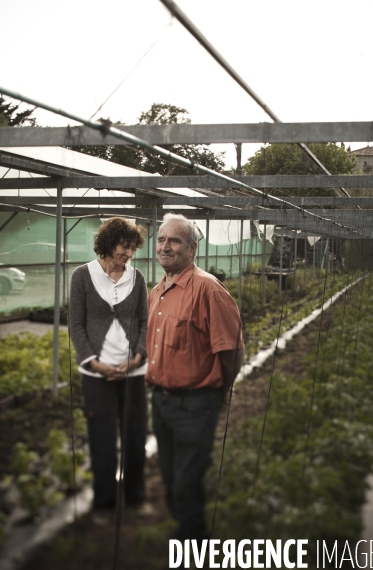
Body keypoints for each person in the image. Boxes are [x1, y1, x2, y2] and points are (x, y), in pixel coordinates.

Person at [146, 213, 244, 542]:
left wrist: (222, 388)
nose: (165, 246)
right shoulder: (156, 291)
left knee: (186, 483)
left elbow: (230, 349)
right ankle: (187, 538)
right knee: (172, 479)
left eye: (174, 240)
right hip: (161, 400)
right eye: (161, 240)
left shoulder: (208, 289)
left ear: (193, 248)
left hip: (195, 403)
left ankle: (193, 549)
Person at [69, 217, 152, 523]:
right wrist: (94, 362)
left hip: (132, 372)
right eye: (123, 245)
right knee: (102, 438)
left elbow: (144, 323)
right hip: (97, 374)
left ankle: (136, 497)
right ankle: (103, 503)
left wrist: (137, 358)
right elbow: (76, 325)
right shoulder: (82, 276)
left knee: (134, 435)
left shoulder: (138, 278)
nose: (128, 253)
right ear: (107, 243)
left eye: (132, 248)